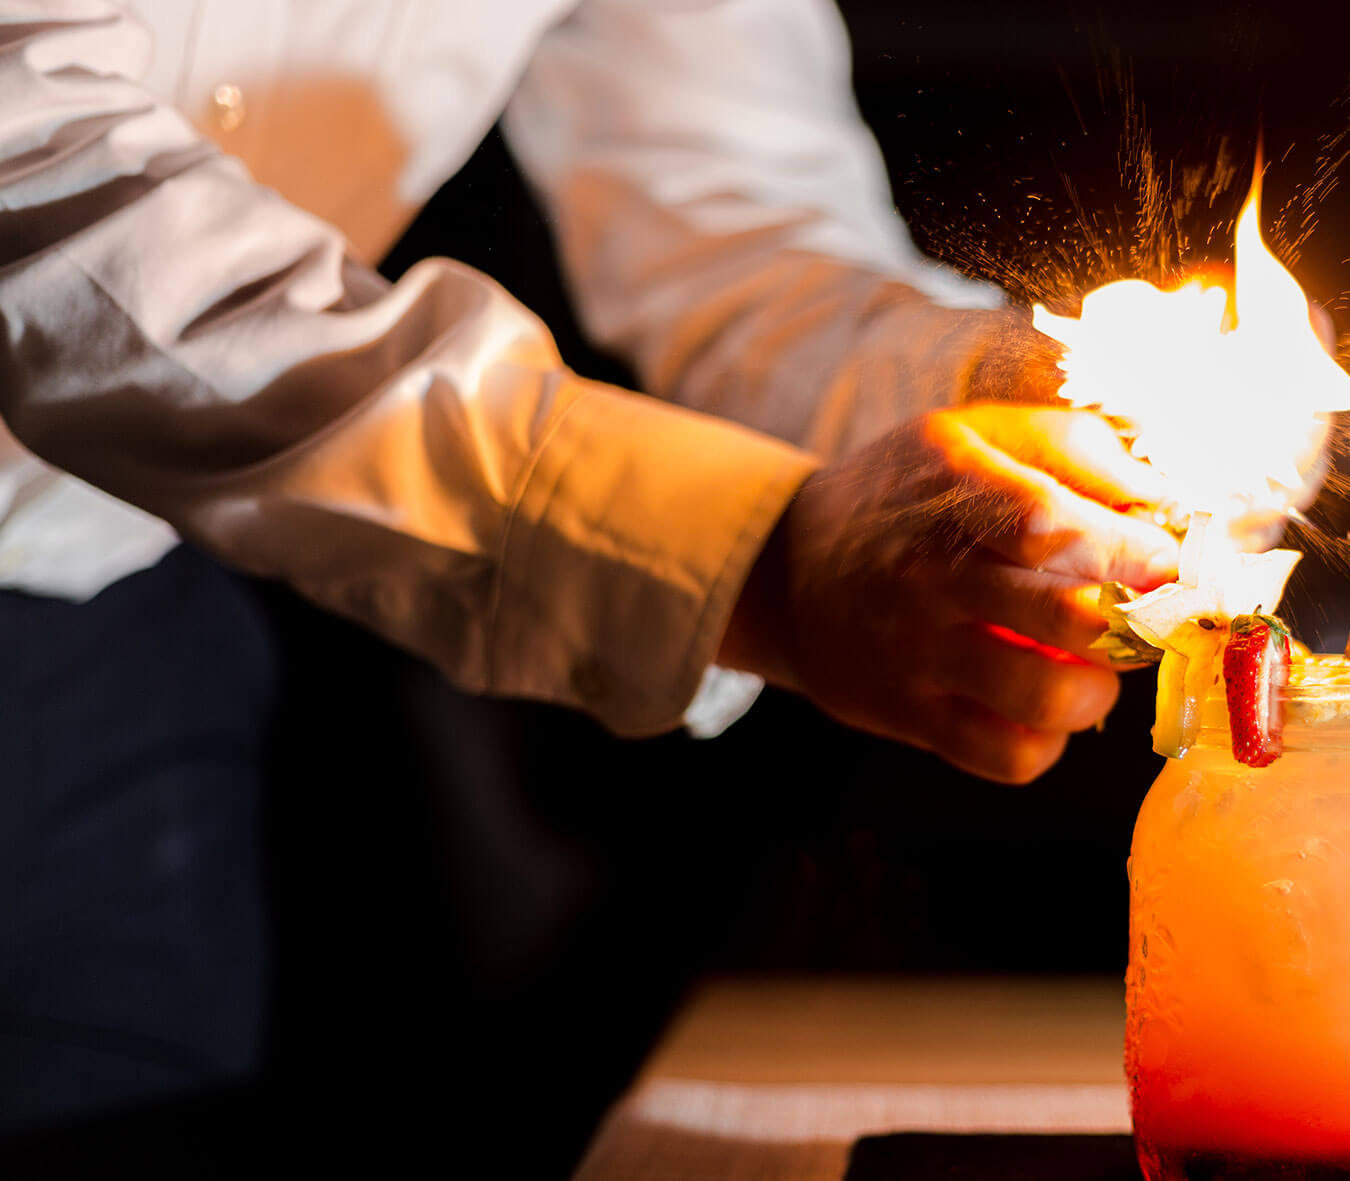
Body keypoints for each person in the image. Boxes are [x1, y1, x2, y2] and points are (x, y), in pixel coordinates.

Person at [0, 0, 1192, 1138]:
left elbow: (735, 225)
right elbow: (41, 188)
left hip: (112, 622)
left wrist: (1004, 398)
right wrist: (759, 557)